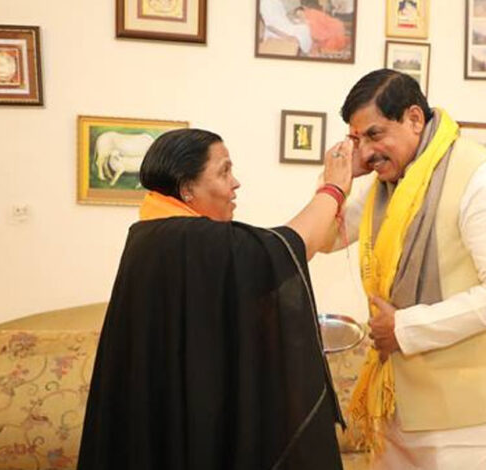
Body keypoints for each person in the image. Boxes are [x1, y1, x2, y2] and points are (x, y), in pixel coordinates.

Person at [77, 128, 353, 470]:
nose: (235, 183)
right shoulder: (184, 238)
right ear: (187, 188)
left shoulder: (154, 234)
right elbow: (284, 249)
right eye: (224, 172)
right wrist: (333, 188)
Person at [324, 69, 486, 469]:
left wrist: (404, 328)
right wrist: (336, 182)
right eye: (357, 140)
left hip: (472, 422)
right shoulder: (386, 186)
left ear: (413, 118)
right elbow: (326, 237)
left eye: (374, 135)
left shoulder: (482, 178)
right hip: (398, 410)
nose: (366, 152)